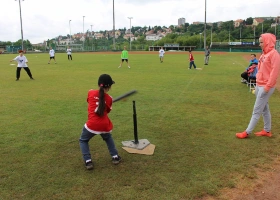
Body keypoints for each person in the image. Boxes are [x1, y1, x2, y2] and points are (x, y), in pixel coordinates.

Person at [236, 33, 280, 139]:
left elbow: (274, 73)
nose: (259, 44)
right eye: (259, 42)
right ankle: (267, 130)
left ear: (267, 42)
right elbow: (260, 71)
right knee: (265, 109)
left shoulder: (274, 55)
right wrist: (257, 85)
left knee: (257, 110)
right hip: (259, 85)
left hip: (266, 86)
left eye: (261, 42)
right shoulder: (264, 54)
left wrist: (267, 87)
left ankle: (247, 132)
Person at [79, 74, 121, 170]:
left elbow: (91, 100)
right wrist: (108, 100)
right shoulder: (109, 98)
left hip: (92, 125)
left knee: (83, 140)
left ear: (99, 84)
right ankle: (115, 157)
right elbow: (108, 110)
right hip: (104, 125)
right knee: (108, 138)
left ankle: (88, 161)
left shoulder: (90, 92)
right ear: (109, 87)